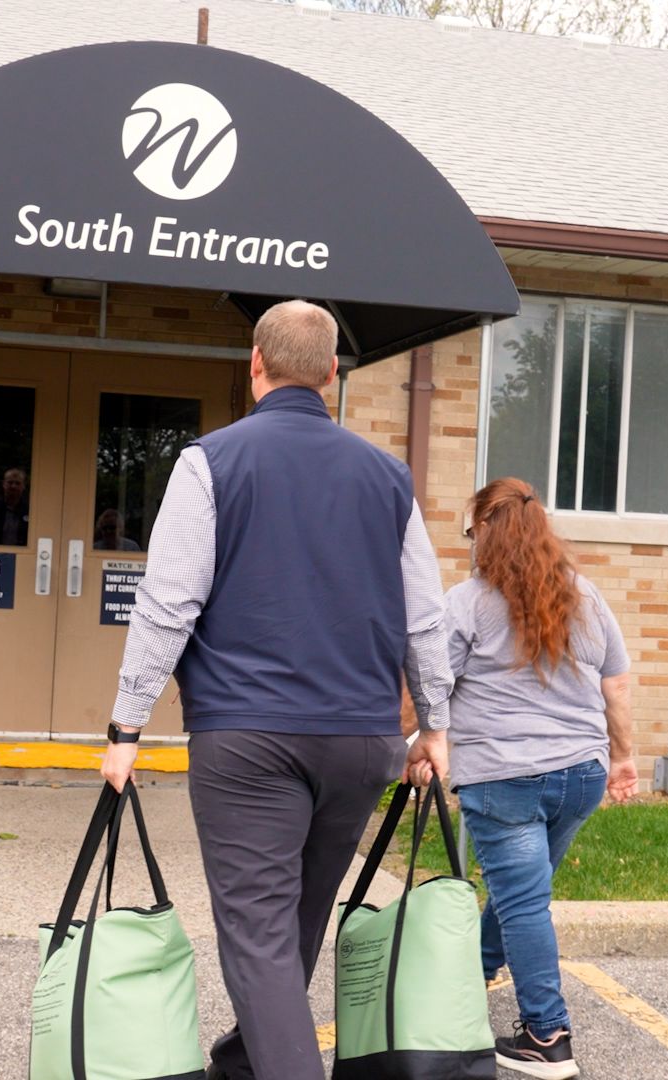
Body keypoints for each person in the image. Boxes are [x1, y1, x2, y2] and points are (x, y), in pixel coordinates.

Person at [103, 299, 453, 1080]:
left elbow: (166, 605)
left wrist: (126, 728)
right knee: (292, 929)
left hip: (249, 741)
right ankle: (243, 1065)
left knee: (260, 938)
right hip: (360, 741)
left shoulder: (212, 462)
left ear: (254, 365)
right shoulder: (388, 478)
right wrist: (433, 724)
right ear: (333, 374)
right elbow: (424, 620)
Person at [408, 476, 637, 1079]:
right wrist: (623, 756)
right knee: (524, 896)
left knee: (524, 899)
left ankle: (547, 1035)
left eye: (468, 531)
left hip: (505, 777)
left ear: (486, 532)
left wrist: (407, 740)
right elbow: (614, 686)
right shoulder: (585, 595)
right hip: (582, 775)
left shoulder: (469, 602)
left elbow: (432, 685)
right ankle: (476, 974)